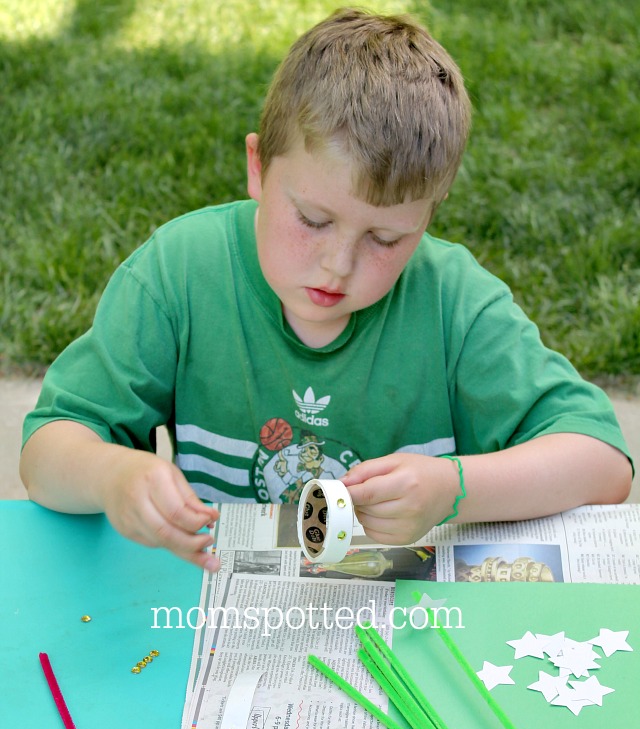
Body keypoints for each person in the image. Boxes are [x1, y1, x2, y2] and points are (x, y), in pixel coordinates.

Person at [20, 8, 632, 574]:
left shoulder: (456, 304)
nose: (337, 265)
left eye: (386, 238)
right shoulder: (178, 272)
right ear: (258, 167)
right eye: (312, 220)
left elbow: (602, 463)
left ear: (428, 216)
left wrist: (455, 488)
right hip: (218, 606)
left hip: (407, 614)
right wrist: (112, 475)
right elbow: (47, 453)